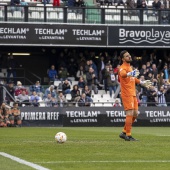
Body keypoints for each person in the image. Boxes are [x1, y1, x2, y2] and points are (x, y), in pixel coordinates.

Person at [118, 50, 152, 141]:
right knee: (129, 114)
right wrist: (130, 73)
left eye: (129, 55)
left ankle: (124, 132)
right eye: (126, 56)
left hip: (133, 93)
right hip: (127, 94)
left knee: (135, 114)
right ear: (123, 59)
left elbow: (133, 78)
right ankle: (128, 136)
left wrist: (142, 82)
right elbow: (123, 74)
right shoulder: (122, 67)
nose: (129, 57)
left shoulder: (130, 67)